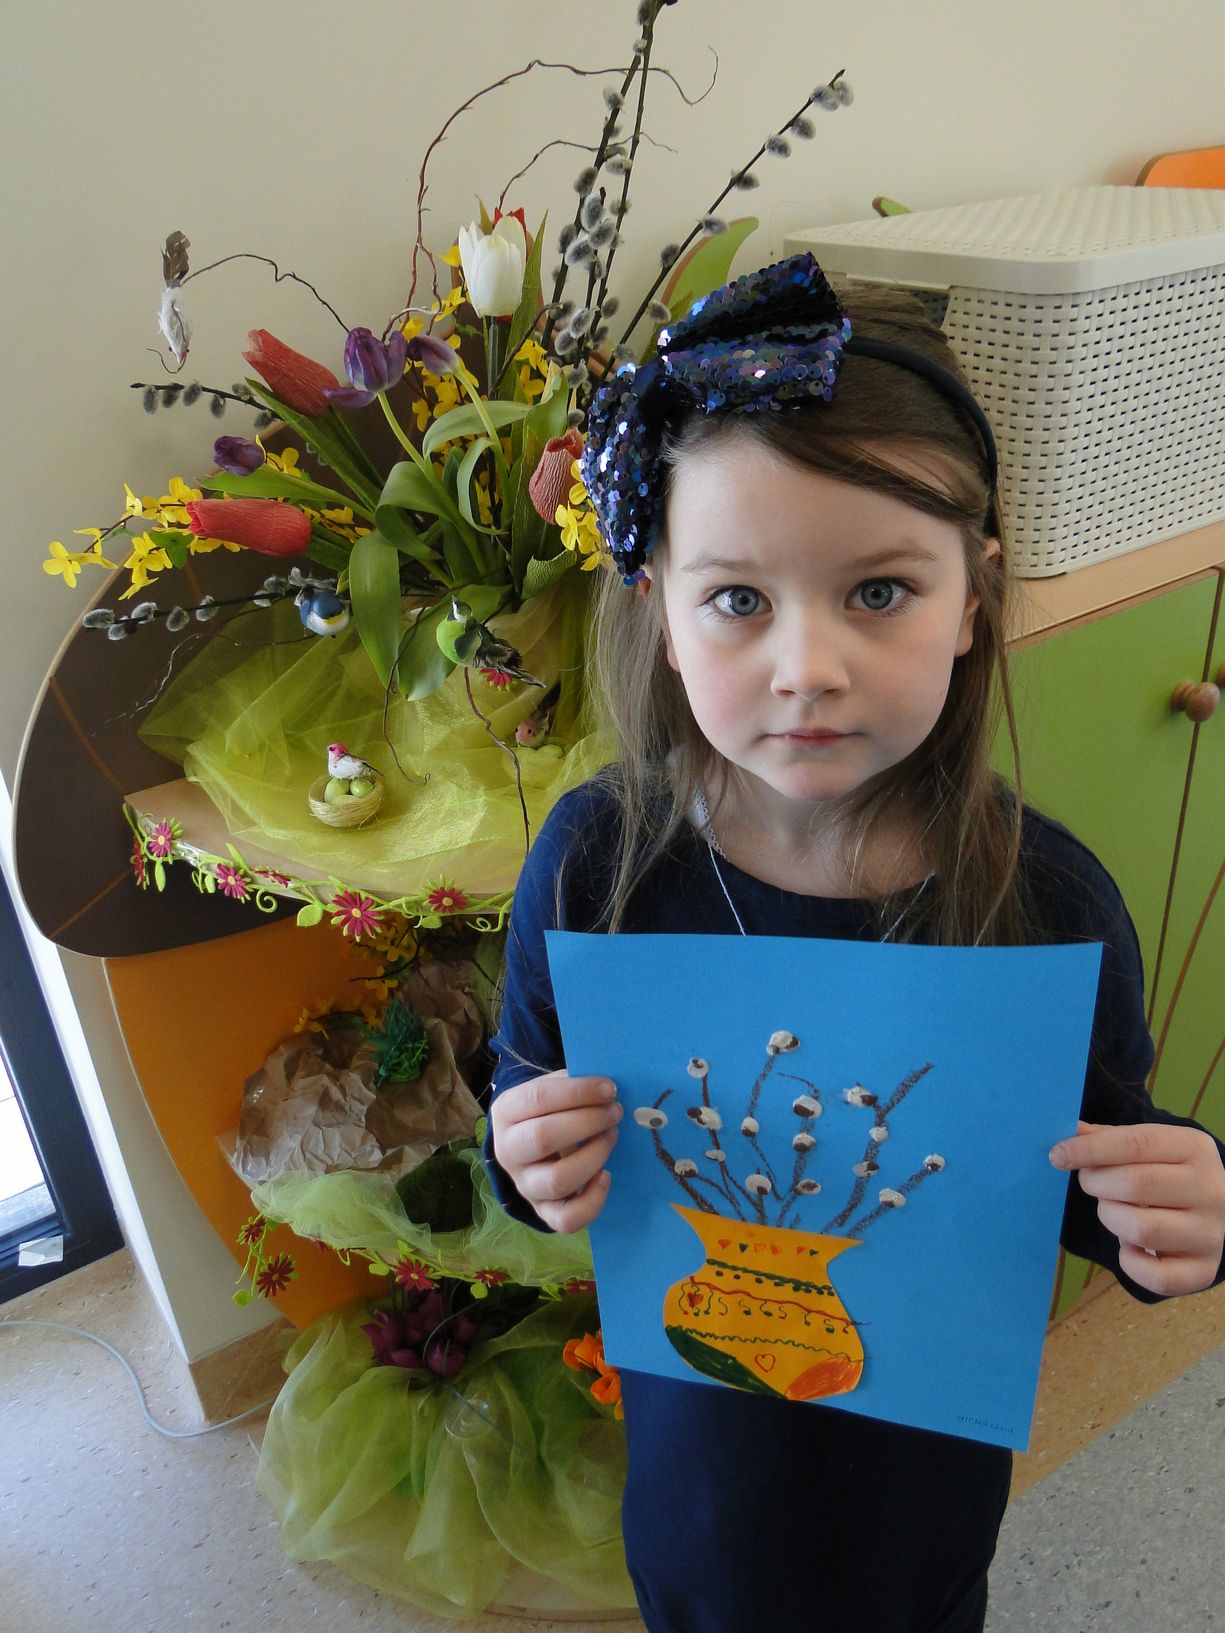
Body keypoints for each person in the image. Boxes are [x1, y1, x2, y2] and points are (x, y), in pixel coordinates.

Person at [483, 254, 1225, 1633]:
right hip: (696, 1488)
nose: (807, 668)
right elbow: (525, 1114)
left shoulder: (1047, 901)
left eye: (879, 591)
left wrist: (1183, 1202)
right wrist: (526, 1157)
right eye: (737, 599)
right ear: (658, 606)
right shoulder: (593, 865)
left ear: (972, 598)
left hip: (919, 1505)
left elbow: (1091, 1178)